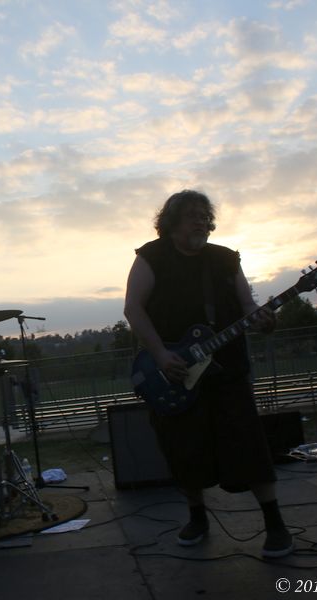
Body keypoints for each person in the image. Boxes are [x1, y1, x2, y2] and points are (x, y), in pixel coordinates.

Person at [123, 189, 293, 558]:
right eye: (192, 216)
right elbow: (133, 309)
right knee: (184, 448)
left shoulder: (225, 259)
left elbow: (247, 305)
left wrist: (263, 319)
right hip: (175, 371)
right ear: (172, 223)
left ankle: (275, 523)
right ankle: (197, 517)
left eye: (205, 216)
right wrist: (161, 354)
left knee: (249, 444)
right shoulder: (152, 256)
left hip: (227, 369)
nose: (201, 222)